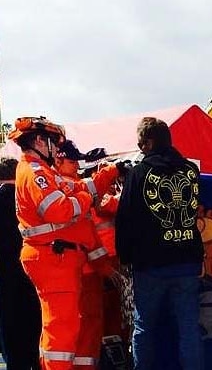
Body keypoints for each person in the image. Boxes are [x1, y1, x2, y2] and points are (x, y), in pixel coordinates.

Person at [8, 116, 98, 370]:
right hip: (52, 257)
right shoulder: (35, 172)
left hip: (54, 256)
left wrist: (94, 183)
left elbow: (72, 189)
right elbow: (60, 209)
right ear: (39, 140)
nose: (56, 149)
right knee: (62, 329)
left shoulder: (39, 170)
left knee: (60, 326)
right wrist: (85, 198)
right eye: (52, 143)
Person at [115, 117, 205, 370]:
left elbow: (125, 219)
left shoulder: (138, 174)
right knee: (189, 326)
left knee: (144, 327)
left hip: (150, 264)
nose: (139, 146)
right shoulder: (191, 171)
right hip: (187, 260)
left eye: (141, 142)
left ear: (150, 142)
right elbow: (195, 213)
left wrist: (124, 258)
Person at [53, 140, 122, 370]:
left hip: (87, 266)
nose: (76, 165)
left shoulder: (64, 187)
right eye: (72, 161)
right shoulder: (74, 190)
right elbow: (91, 228)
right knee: (87, 324)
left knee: (87, 325)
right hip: (88, 268)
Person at [0, 156, 42, 370]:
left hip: (5, 280)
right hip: (32, 272)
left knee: (11, 337)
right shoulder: (26, 199)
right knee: (34, 332)